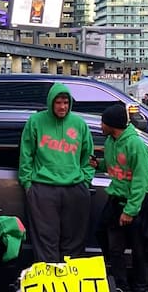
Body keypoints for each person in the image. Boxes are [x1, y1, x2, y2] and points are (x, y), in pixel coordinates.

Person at [18, 83, 94, 262]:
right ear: (51, 102)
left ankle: (68, 278)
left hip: (74, 188)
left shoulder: (79, 124)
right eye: (58, 102)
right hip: (43, 188)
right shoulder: (35, 122)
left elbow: (89, 156)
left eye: (66, 102)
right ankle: (50, 277)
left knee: (74, 243)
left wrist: (85, 180)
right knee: (46, 241)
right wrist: (28, 183)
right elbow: (26, 154)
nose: (62, 107)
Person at [99, 102, 148, 292]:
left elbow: (140, 181)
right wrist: (99, 165)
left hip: (136, 204)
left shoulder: (135, 145)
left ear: (112, 124)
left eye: (103, 122)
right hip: (116, 200)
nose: (101, 125)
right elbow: (115, 166)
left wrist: (130, 211)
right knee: (114, 250)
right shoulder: (110, 141)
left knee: (140, 252)